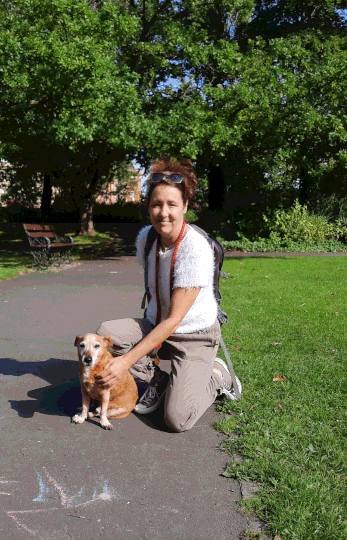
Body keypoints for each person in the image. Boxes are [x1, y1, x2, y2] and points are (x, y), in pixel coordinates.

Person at [95, 157, 242, 432]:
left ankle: (215, 376)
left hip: (194, 334)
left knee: (177, 419)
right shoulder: (146, 239)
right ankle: (159, 380)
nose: (164, 212)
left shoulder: (195, 249)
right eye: (156, 204)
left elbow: (174, 321)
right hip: (156, 324)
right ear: (148, 208)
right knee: (106, 335)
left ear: (185, 207)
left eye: (172, 205)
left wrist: (126, 361)